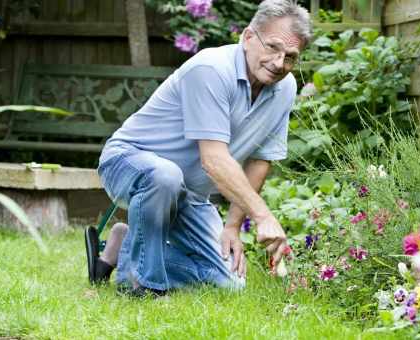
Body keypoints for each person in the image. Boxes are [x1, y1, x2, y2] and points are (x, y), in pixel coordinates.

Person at [85, 0, 312, 296]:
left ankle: (123, 245)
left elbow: (260, 159)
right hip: (128, 162)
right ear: (248, 36)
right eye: (272, 47)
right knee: (165, 175)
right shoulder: (211, 69)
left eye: (291, 57)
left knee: (229, 283)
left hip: (190, 194)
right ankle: (139, 284)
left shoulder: (285, 88)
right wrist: (263, 217)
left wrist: (232, 226)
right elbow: (214, 160)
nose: (279, 63)